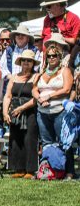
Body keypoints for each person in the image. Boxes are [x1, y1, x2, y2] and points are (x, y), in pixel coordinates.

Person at [32, 45, 74, 179]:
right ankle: (50, 171)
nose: (51, 58)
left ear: (59, 57)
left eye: (54, 55)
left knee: (64, 142)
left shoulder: (65, 71)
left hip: (59, 110)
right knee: (46, 143)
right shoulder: (41, 72)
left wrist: (49, 96)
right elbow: (34, 89)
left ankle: (69, 172)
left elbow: (67, 90)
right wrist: (39, 98)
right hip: (42, 111)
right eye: (49, 56)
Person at [2, 50, 40, 179]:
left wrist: (22, 108)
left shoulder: (37, 77)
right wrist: (5, 112)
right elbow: (8, 95)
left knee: (29, 139)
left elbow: (36, 98)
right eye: (24, 60)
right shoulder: (14, 77)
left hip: (29, 111)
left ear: (33, 63)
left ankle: (30, 169)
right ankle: (18, 168)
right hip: (14, 110)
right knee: (15, 138)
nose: (26, 63)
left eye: (29, 61)